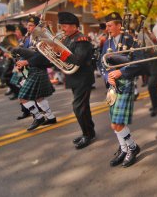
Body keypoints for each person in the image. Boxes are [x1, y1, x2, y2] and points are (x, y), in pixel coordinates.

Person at [104, 12, 143, 168]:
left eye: (110, 25)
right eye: (106, 25)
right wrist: (107, 75)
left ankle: (132, 148)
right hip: (112, 86)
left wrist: (122, 72)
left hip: (125, 83)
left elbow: (141, 63)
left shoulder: (132, 41)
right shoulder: (107, 43)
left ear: (119, 25)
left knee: (117, 123)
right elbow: (102, 62)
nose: (107, 28)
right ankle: (124, 148)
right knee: (114, 123)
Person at [57, 12, 96, 149]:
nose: (63, 29)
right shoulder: (68, 39)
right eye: (62, 26)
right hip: (74, 78)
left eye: (65, 26)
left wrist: (60, 52)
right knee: (83, 107)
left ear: (74, 26)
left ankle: (87, 134)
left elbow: (78, 59)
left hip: (83, 79)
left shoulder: (82, 40)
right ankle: (89, 132)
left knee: (78, 107)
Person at [13, 16, 57, 131]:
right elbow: (27, 53)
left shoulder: (41, 38)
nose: (28, 28)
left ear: (37, 26)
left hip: (38, 69)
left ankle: (38, 117)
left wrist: (26, 61)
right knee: (39, 97)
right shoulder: (28, 38)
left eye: (31, 25)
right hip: (32, 69)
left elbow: (44, 56)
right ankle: (51, 117)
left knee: (23, 97)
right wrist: (19, 63)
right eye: (27, 25)